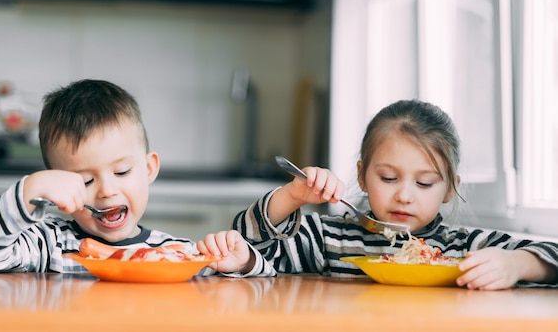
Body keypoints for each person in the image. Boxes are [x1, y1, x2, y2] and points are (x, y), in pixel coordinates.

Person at [233, 99, 558, 290]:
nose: (404, 196)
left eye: (425, 183)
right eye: (388, 178)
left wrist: (517, 264)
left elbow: (552, 255)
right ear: (361, 175)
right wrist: (293, 195)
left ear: (449, 189)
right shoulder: (329, 241)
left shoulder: (463, 249)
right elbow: (248, 245)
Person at [0, 79, 274, 277]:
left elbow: (253, 281)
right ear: (59, 193)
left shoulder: (172, 252)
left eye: (122, 171)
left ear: (149, 168)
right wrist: (29, 190)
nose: (107, 191)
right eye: (85, 181)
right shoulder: (48, 244)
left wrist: (245, 262)